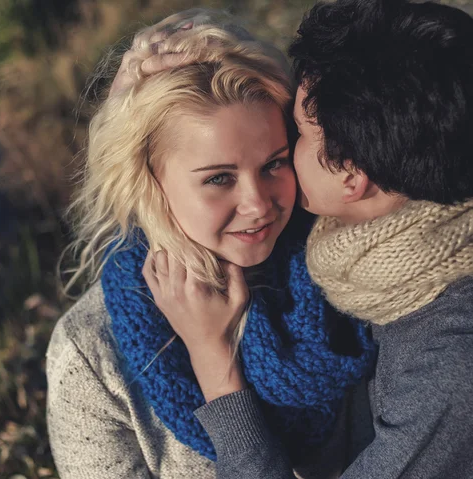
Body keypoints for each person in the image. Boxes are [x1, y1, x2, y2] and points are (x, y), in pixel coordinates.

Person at [137, 1, 473, 478]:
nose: (259, 204)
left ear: (351, 174)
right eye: (220, 178)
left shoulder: (450, 362)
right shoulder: (397, 227)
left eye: (293, 138)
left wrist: (214, 361)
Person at [45, 9, 376, 479]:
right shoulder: (93, 355)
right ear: (146, 180)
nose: (258, 203)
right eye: (219, 178)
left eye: (274, 164)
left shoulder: (354, 275)